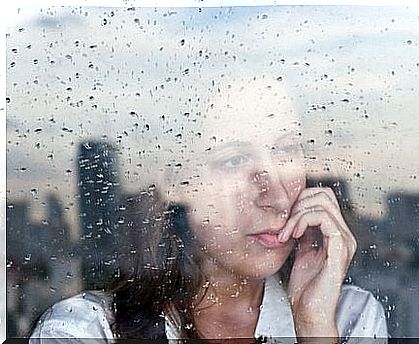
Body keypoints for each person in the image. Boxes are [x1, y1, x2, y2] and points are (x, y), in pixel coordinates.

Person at [29, 73, 388, 343]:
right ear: (177, 182)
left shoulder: (347, 318)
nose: (276, 194)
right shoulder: (85, 330)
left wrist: (315, 330)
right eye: (233, 160)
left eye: (286, 150)